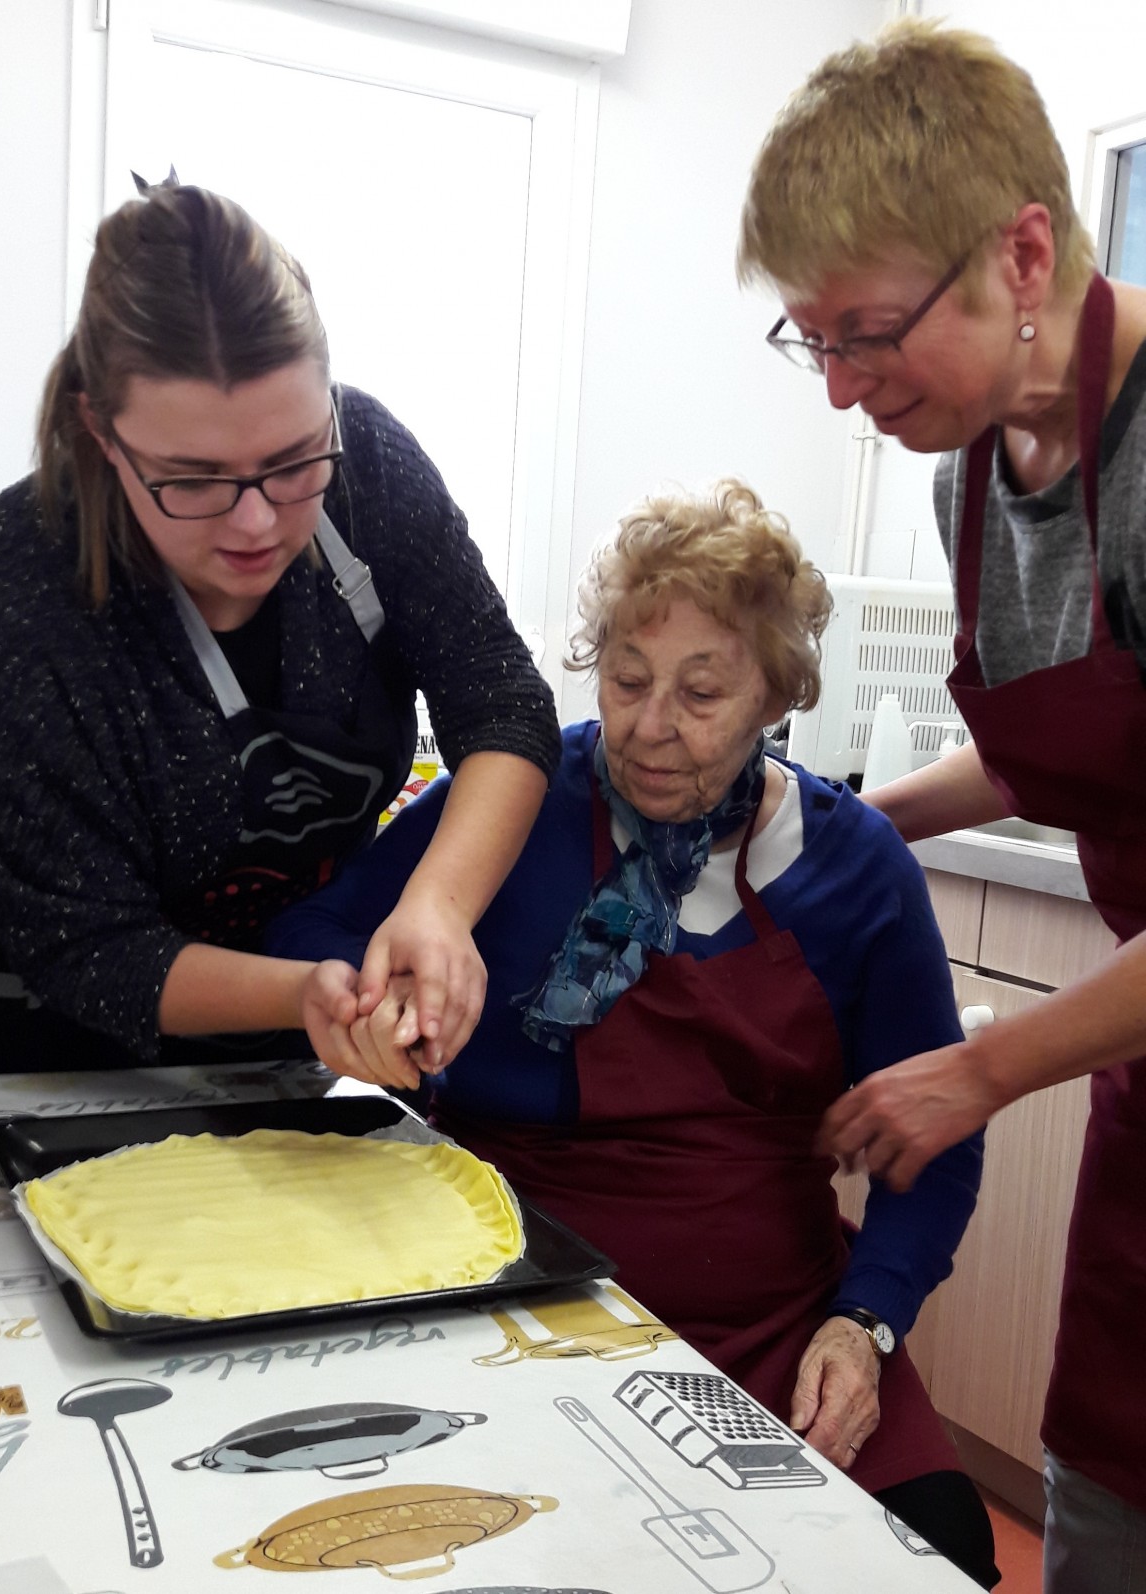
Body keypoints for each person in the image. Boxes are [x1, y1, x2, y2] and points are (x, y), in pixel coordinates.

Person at [268, 477, 998, 1587]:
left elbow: (936, 1137)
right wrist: (359, 1002)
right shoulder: (515, 805)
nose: (651, 729)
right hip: (517, 1302)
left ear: (776, 694)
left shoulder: (860, 871)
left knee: (940, 1549)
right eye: (625, 679)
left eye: (701, 692)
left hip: (781, 1326)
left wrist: (868, 1323)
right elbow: (312, 933)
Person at [736, 20, 1146, 1593]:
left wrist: (980, 1069)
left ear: (1022, 254)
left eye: (870, 335)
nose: (844, 391)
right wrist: (832, 816)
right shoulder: (966, 470)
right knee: (1112, 1481)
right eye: (812, 344)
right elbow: (1059, 745)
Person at [0, 179, 559, 1077]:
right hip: (38, 1056)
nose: (258, 522)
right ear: (101, 432)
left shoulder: (369, 467)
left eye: (295, 461)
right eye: (194, 479)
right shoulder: (15, 588)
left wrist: (437, 906)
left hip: (292, 1029)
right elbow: (91, 950)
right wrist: (306, 992)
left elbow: (502, 701)